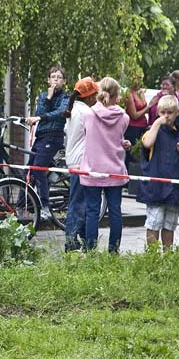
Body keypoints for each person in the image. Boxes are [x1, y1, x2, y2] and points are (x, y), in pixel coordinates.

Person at [80, 77, 130, 253]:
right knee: (115, 212)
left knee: (92, 212)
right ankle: (113, 251)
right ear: (116, 96)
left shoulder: (88, 114)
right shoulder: (124, 117)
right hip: (114, 170)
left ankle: (91, 251)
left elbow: (89, 135)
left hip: (92, 169)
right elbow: (116, 138)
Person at [136, 95, 179, 251]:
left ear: (177, 113)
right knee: (154, 223)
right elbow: (147, 143)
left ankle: (168, 254)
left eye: (170, 112)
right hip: (156, 188)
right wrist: (157, 123)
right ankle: (151, 256)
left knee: (169, 225)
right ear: (158, 112)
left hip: (174, 188)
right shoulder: (151, 131)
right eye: (163, 112)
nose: (166, 116)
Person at [25, 66, 69, 221]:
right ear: (48, 80)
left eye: (59, 77)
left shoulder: (66, 98)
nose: (56, 80)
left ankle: (45, 207)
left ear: (64, 81)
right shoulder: (44, 96)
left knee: (38, 169)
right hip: (41, 138)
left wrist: (40, 118)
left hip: (53, 137)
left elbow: (59, 113)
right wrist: (48, 98)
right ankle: (22, 205)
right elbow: (40, 111)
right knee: (28, 171)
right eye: (53, 77)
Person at [63, 77, 99, 252]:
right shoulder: (87, 113)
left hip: (73, 161)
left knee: (78, 203)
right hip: (82, 162)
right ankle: (71, 244)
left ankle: (82, 241)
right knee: (78, 205)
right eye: (95, 94)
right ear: (89, 96)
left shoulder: (73, 109)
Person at [123, 70, 150, 164]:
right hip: (133, 127)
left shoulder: (141, 92)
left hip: (143, 126)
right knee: (131, 155)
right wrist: (148, 107)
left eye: (141, 78)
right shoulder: (129, 93)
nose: (139, 81)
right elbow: (134, 115)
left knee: (141, 153)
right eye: (137, 78)